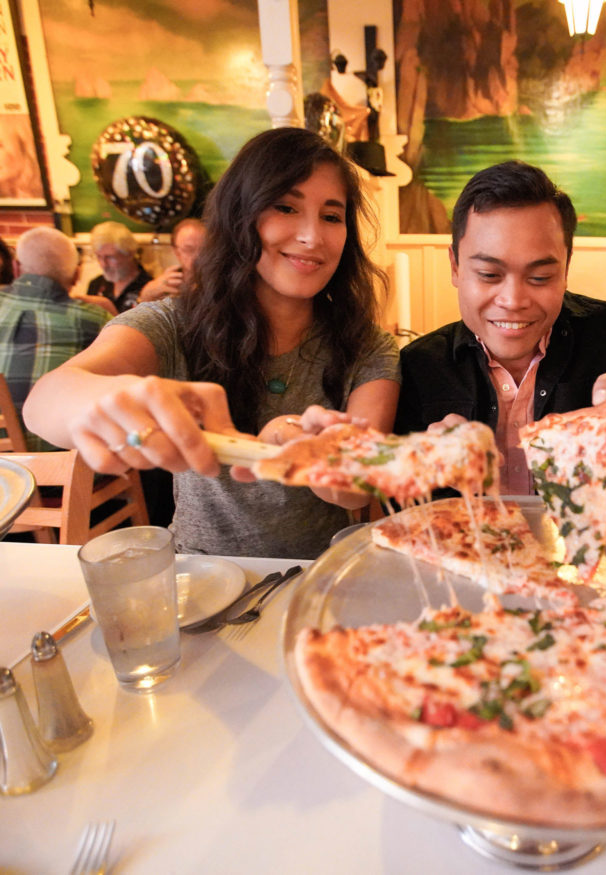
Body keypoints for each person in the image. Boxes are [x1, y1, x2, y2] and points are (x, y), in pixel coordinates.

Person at [24, 127, 400, 559]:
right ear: (241, 215)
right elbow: (43, 402)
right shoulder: (173, 325)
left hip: (316, 576)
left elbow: (356, 493)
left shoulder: (369, 347)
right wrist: (107, 398)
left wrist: (305, 448)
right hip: (195, 574)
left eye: (332, 217)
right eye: (285, 207)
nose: (312, 236)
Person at [396, 160, 606, 497]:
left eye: (540, 278)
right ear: (456, 267)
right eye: (489, 275)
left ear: (566, 269)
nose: (513, 300)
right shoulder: (421, 364)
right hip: (463, 547)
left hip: (575, 548)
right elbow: (398, 497)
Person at [0, 227, 110, 450]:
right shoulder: (95, 319)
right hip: (64, 471)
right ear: (77, 275)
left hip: (7, 476)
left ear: (16, 267)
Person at [86, 221, 153, 313]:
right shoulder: (96, 285)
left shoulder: (148, 287)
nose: (103, 264)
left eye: (110, 257)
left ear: (130, 254)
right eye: (98, 256)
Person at [139, 218, 206, 302]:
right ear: (176, 251)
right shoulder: (167, 282)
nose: (198, 256)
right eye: (189, 249)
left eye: (204, 249)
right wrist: (146, 296)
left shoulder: (218, 281)